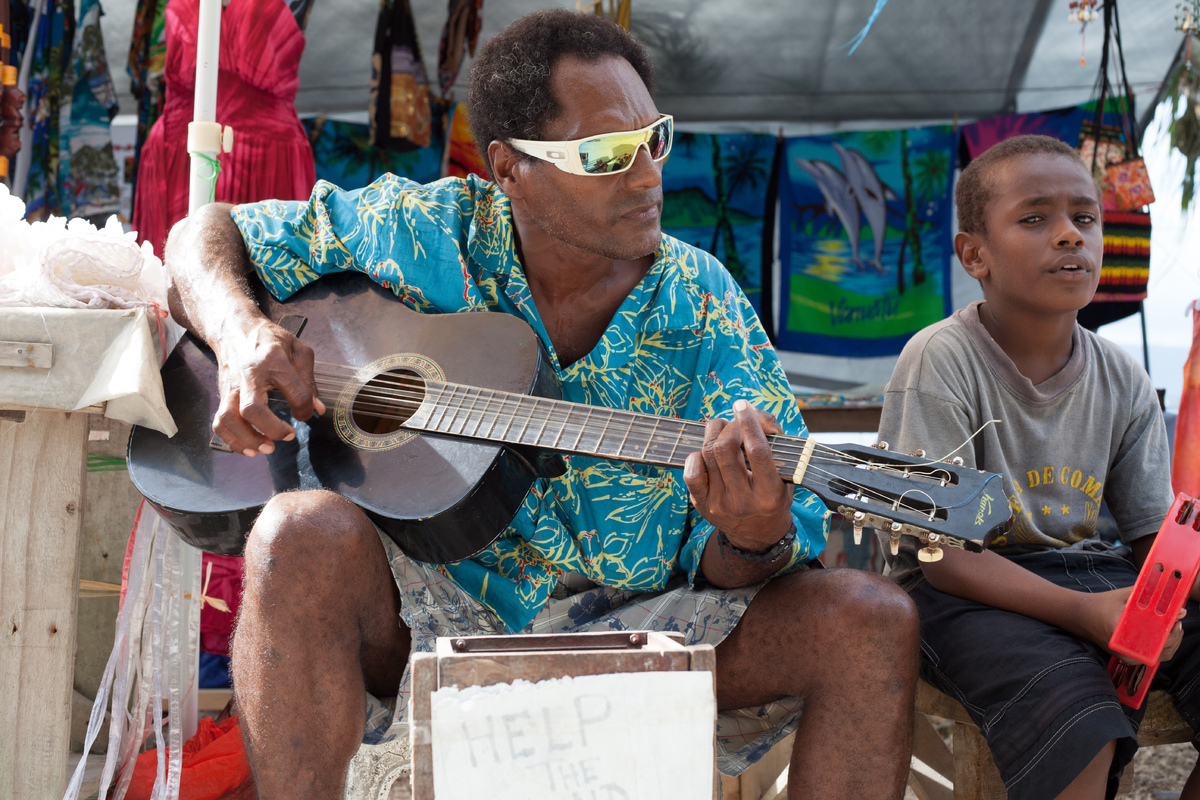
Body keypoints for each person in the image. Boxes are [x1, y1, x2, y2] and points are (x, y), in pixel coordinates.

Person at [164, 10, 919, 799]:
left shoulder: (701, 300)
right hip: (427, 610)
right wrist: (242, 331)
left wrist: (754, 531)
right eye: (604, 154)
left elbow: (747, 564)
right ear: (510, 167)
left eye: (652, 141)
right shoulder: (422, 229)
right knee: (295, 530)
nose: (645, 175)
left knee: (871, 617)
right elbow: (203, 232)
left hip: (642, 628)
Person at [878, 134, 1200, 800]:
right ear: (975, 254)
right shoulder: (941, 360)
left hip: (1089, 571)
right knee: (1077, 716)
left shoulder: (1124, 378)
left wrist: (1158, 601)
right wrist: (1087, 616)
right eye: (1035, 218)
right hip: (958, 589)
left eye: (1084, 218)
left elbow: (1149, 543)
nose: (1068, 236)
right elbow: (941, 557)